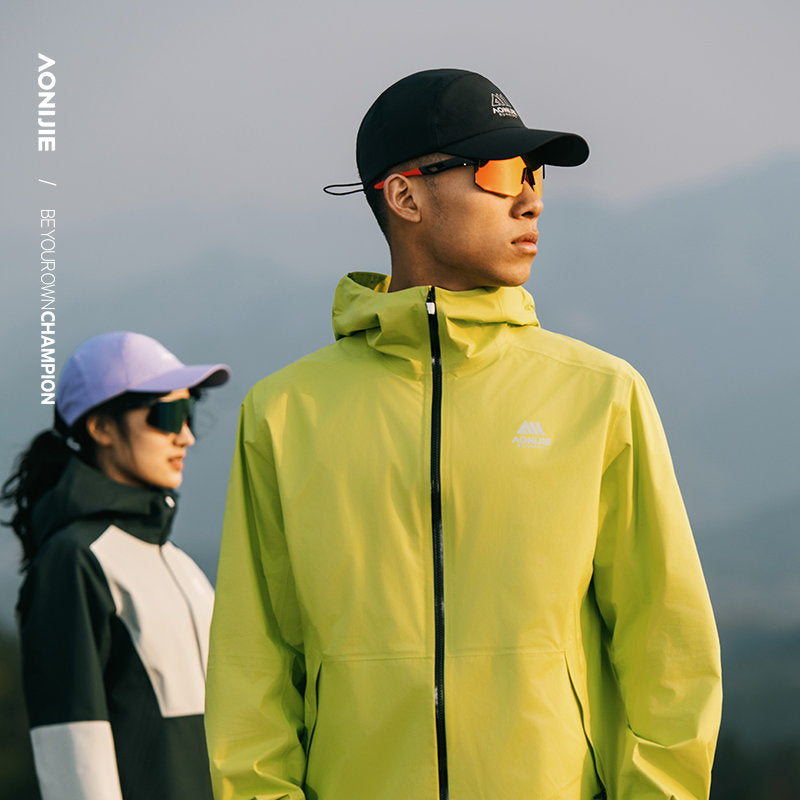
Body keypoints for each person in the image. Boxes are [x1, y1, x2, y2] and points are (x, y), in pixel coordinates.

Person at [205, 69, 722, 800]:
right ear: (406, 196)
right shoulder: (285, 412)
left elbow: (667, 645)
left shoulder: (601, 394)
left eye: (535, 173)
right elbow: (252, 664)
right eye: (500, 171)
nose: (530, 198)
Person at [2, 331, 230, 800]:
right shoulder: (73, 560)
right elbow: (72, 750)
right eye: (167, 415)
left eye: (189, 412)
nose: (185, 435)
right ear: (101, 428)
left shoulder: (179, 565)